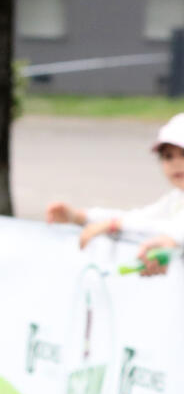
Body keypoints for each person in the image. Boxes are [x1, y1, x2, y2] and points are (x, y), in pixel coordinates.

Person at [48, 113, 184, 274]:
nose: (176, 163)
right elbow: (140, 218)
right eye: (168, 156)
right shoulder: (175, 199)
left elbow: (176, 229)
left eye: (183, 154)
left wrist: (113, 225)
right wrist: (80, 216)